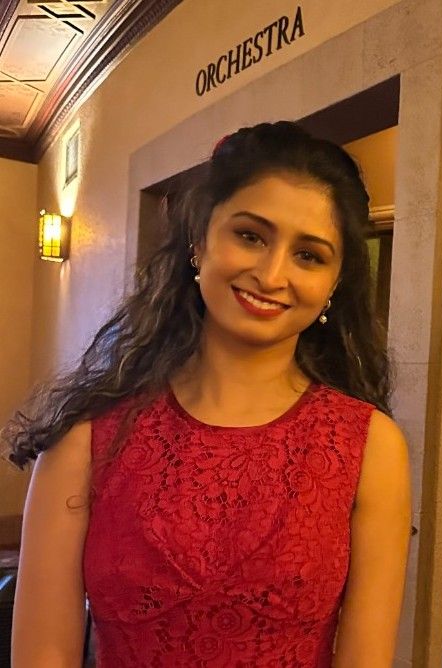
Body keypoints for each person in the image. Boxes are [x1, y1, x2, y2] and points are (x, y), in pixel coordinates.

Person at [4, 121, 411, 667]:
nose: (272, 274)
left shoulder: (369, 447)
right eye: (250, 236)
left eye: (309, 256)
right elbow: (44, 655)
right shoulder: (87, 436)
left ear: (335, 282)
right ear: (199, 241)